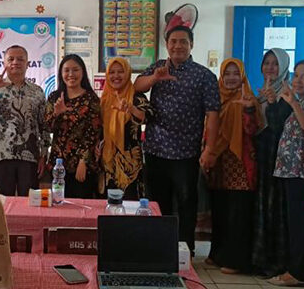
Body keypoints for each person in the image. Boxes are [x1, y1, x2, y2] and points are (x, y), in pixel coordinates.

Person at [134, 25, 219, 255]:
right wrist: (155, 78)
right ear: (167, 44)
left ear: (191, 45)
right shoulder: (158, 67)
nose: (178, 46)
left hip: (186, 153)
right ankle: (159, 250)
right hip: (155, 149)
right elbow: (137, 86)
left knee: (186, 203)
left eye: (183, 41)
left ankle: (184, 251)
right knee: (157, 203)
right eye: (173, 41)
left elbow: (212, 115)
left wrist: (209, 149)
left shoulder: (204, 76)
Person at [269, 60, 304, 287]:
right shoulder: (299, 102)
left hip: (302, 171)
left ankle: (298, 272)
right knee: (293, 222)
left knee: (300, 223)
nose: (299, 81)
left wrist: (294, 104)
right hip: (289, 170)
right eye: (297, 75)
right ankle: (301, 268)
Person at [206, 58, 262, 274]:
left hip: (240, 164)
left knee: (238, 213)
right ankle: (217, 254)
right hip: (219, 163)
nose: (231, 78)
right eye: (227, 73)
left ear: (242, 77)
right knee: (220, 210)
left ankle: (236, 261)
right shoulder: (216, 98)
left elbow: (253, 130)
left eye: (235, 74)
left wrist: (249, 110)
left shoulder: (248, 99)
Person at [0, 45, 50, 196]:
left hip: (29, 155)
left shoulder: (37, 91)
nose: (15, 62)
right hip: (2, 155)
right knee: (3, 203)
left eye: (20, 59)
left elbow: (44, 125)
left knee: (29, 202)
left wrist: (43, 155)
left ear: (27, 64)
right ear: (4, 63)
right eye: (11, 59)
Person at [251, 48, 291, 277]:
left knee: (274, 207)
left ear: (284, 67)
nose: (270, 68)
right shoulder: (261, 93)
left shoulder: (287, 94)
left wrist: (274, 102)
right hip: (262, 155)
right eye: (267, 63)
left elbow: (278, 128)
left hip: (277, 159)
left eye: (275, 64)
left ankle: (274, 261)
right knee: (260, 205)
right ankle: (258, 259)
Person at [45, 54, 102, 199]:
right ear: (61, 73)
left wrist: (83, 161)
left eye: (75, 70)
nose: (71, 74)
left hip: (82, 165)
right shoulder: (54, 97)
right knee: (59, 204)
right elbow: (47, 128)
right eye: (66, 70)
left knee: (81, 205)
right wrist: (56, 113)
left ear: (82, 72)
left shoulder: (91, 99)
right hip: (58, 164)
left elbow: (94, 133)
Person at [99, 57, 153, 200]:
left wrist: (131, 109)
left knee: (130, 203)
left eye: (121, 71)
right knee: (108, 205)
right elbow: (100, 129)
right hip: (108, 162)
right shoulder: (104, 99)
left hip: (130, 163)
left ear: (128, 73)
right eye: (112, 72)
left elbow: (148, 116)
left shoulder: (137, 97)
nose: (116, 76)